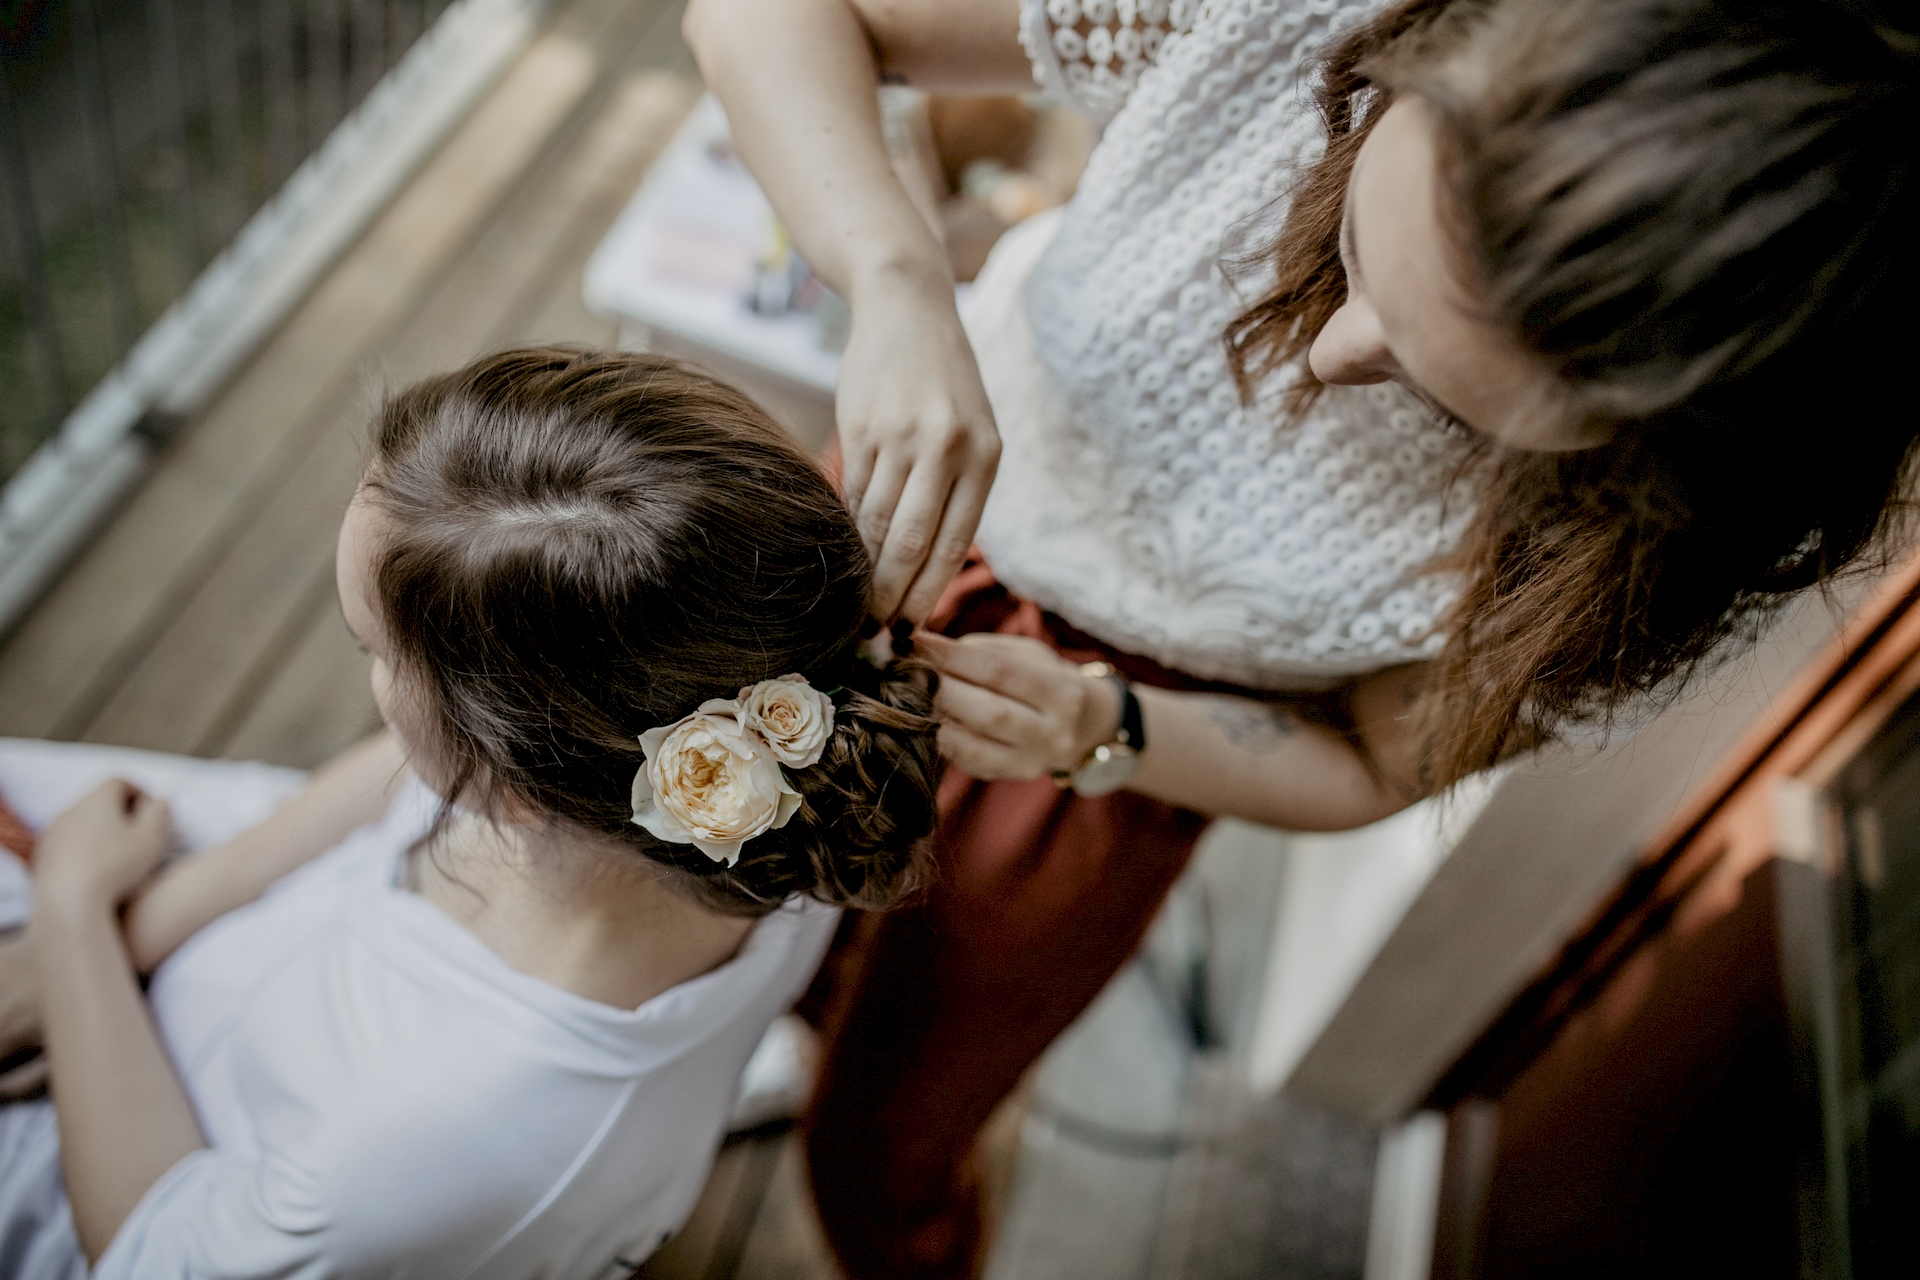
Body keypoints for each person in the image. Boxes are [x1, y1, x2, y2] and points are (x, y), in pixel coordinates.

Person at [686, 0, 1918, 1274]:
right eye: (1355, 244)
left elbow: (1377, 764)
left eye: (1445, 399)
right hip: (881, 539)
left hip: (1104, 766)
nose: (1331, 351)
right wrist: (895, 279)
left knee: (890, 1119)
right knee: (709, 904)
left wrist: (1106, 725)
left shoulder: (1656, 552)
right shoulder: (1277, 12)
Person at [0, 349, 940, 1279]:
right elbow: (406, 769)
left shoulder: (417, 1148)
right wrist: (128, 940)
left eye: (372, 649)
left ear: (513, 787)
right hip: (241, 955)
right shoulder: (791, 800)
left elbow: (153, 1249)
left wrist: (77, 913)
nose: (372, 683)